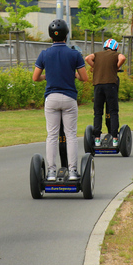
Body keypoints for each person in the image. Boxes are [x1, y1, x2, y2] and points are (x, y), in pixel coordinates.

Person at [32, 19, 89, 181]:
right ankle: (72, 172)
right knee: (70, 135)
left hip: (51, 99)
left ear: (51, 36)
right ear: (66, 35)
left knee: (52, 135)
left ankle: (50, 172)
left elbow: (36, 78)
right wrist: (72, 74)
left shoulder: (44, 54)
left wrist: (48, 76)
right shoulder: (74, 54)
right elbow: (84, 77)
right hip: (69, 99)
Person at [85, 38, 127, 147]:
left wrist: (95, 67)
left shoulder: (98, 54)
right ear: (115, 48)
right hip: (111, 86)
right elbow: (122, 58)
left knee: (98, 112)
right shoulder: (115, 54)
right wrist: (116, 67)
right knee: (113, 111)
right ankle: (114, 138)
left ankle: (97, 139)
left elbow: (87, 58)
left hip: (98, 86)